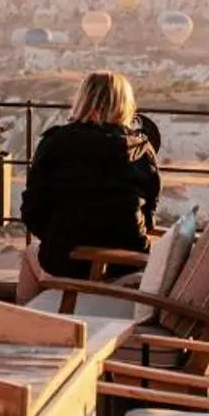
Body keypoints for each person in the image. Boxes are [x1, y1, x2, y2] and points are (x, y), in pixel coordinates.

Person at [20, 70, 162, 292]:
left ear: (82, 100)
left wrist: (59, 236)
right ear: (126, 105)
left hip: (68, 261)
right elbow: (149, 215)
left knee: (31, 254)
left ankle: (34, 321)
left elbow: (32, 211)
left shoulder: (55, 143)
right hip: (127, 264)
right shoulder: (142, 150)